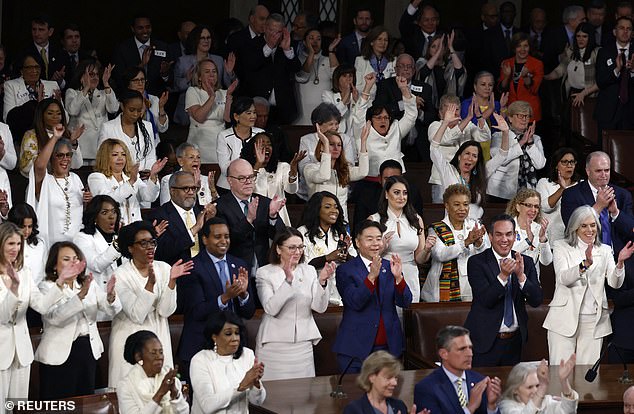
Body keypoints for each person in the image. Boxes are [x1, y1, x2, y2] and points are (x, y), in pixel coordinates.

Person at [544, 205, 634, 365]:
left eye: (593, 225)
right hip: (564, 318)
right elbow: (563, 278)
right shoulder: (561, 246)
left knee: (587, 378)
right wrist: (585, 264)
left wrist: (620, 263)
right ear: (575, 227)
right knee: (559, 374)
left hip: (594, 321)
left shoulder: (605, 250)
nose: (589, 230)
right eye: (584, 225)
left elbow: (615, 283)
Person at [107, 221, 193, 387]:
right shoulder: (121, 275)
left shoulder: (164, 268)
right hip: (129, 342)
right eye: (143, 243)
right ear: (130, 248)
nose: (150, 247)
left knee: (161, 397)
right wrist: (150, 285)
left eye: (152, 242)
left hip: (158, 337)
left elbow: (166, 311)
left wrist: (171, 282)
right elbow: (137, 314)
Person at [35, 241, 121, 399]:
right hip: (59, 355)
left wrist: (110, 296)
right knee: (60, 405)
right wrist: (80, 296)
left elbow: (111, 309)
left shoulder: (87, 283)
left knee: (86, 403)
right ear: (54, 265)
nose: (72, 262)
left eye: (75, 258)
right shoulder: (46, 287)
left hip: (87, 351)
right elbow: (55, 318)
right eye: (66, 259)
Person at [0, 222, 71, 411]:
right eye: (10, 244)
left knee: (18, 408)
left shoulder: (25, 273)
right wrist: (13, 290)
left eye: (18, 244)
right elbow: (3, 316)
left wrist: (60, 282)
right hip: (1, 351)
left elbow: (41, 305)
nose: (15, 249)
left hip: (22, 353)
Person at [177, 217, 255, 382]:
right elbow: (195, 312)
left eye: (226, 236)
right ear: (204, 239)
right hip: (201, 347)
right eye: (217, 236)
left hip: (234, 349)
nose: (223, 241)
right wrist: (225, 297)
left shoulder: (239, 264)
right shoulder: (192, 267)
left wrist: (242, 295)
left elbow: (248, 313)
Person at [334, 220, 413, 373]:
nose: (375, 243)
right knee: (354, 394)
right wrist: (371, 277)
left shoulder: (389, 266)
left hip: (389, 347)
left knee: (389, 394)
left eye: (378, 238)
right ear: (357, 242)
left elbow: (405, 302)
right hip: (356, 349)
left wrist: (398, 279)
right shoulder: (346, 270)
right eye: (369, 239)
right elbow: (355, 302)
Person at [465, 214, 543, 367]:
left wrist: (521, 276)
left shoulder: (525, 261)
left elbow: (536, 300)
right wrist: (503, 276)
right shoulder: (477, 262)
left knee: (511, 390)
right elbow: (486, 299)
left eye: (509, 234)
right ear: (490, 236)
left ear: (515, 236)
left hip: (515, 342)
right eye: (499, 234)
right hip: (485, 342)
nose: (504, 239)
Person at [255, 227, 332, 380]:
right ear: (278, 248)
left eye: (300, 247)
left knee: (303, 396)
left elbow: (319, 308)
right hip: (274, 346)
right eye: (292, 247)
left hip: (303, 346)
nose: (297, 252)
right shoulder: (265, 273)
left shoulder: (309, 270)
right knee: (272, 397)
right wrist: (287, 282)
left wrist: (322, 282)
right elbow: (271, 308)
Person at [215, 158, 286, 274]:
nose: (248, 181)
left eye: (251, 177)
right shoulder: (220, 206)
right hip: (235, 271)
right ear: (230, 181)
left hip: (264, 269)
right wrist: (248, 220)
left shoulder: (265, 203)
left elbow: (281, 237)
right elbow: (226, 241)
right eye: (242, 178)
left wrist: (273, 217)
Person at [370, 176, 434, 303]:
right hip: (384, 273)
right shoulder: (374, 220)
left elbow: (419, 259)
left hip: (410, 275)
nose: (401, 197)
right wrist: (382, 248)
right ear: (387, 194)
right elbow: (366, 258)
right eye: (396, 192)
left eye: (405, 193)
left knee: (409, 317)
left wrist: (427, 250)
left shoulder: (416, 219)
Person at [560, 151, 634, 258]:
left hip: (619, 257)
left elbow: (631, 230)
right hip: (586, 256)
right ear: (588, 171)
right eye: (599, 171)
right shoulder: (571, 194)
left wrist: (615, 213)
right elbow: (572, 228)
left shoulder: (622, 194)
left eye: (607, 170)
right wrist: (598, 207)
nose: (604, 175)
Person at [413, 325, 502, 413]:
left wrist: (491, 406)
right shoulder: (427, 389)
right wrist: (469, 409)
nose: (470, 354)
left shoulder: (480, 381)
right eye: (462, 349)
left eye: (470, 348)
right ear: (444, 354)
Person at [190, 310, 265, 413]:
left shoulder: (247, 355)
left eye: (237, 333)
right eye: (228, 334)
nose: (235, 338)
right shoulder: (200, 360)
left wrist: (256, 385)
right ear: (214, 337)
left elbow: (257, 402)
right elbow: (207, 405)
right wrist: (241, 386)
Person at [424, 184, 489, 302]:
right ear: (447, 206)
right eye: (457, 204)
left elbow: (487, 255)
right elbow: (440, 254)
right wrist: (466, 242)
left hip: (470, 285)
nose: (462, 209)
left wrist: (479, 243)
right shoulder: (436, 228)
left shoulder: (475, 226)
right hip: (441, 288)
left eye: (465, 204)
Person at [27, 126, 88, 245]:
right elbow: (39, 166)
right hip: (51, 247)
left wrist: (87, 202)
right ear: (51, 158)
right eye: (60, 155)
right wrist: (55, 137)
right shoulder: (45, 181)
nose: (65, 159)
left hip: (76, 245)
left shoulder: (75, 179)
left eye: (68, 155)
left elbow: (82, 210)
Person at [427, 95, 491, 206]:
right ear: (441, 112)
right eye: (450, 110)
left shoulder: (468, 126)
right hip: (441, 180)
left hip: (464, 179)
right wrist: (467, 119)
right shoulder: (435, 126)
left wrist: (479, 116)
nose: (454, 113)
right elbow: (446, 139)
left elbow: (484, 136)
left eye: (457, 109)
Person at [352, 73, 416, 177]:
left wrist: (404, 89)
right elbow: (358, 114)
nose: (383, 121)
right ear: (371, 120)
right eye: (378, 118)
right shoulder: (363, 131)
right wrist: (368, 87)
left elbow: (411, 116)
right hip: (370, 181)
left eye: (386, 118)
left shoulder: (395, 129)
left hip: (396, 181)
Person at [298, 191, 356, 305]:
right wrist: (328, 257)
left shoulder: (341, 233)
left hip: (340, 293)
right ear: (317, 209)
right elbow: (302, 267)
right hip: (312, 292)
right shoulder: (302, 232)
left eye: (336, 207)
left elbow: (356, 264)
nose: (334, 211)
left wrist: (346, 255)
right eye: (327, 207)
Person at [88, 138, 163, 226]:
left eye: (123, 154)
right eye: (115, 155)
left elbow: (149, 197)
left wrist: (153, 176)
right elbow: (107, 202)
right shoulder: (97, 177)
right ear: (105, 158)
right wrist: (130, 182)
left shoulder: (131, 177)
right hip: (112, 229)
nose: (120, 158)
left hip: (135, 230)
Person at [304, 125, 369, 222]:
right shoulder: (311, 168)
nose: (336, 148)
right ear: (322, 147)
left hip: (341, 222)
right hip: (318, 222)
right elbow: (324, 176)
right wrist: (325, 144)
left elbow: (362, 172)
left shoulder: (343, 170)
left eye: (339, 145)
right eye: (331, 144)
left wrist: (363, 142)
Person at [174, 24, 236, 125]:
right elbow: (175, 87)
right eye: (202, 38)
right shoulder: (183, 61)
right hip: (187, 116)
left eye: (208, 38)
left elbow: (229, 87)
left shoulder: (218, 60)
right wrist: (187, 79)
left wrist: (229, 73)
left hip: (214, 113)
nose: (206, 41)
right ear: (195, 40)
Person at [151, 171, 217, 266]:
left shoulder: (202, 212)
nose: (191, 192)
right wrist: (195, 229)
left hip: (204, 270)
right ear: (172, 191)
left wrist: (210, 223)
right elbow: (163, 252)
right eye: (186, 188)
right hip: (177, 272)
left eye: (193, 188)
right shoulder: (160, 216)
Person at [116, 330, 189, 414]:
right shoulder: (126, 386)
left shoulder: (169, 379)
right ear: (138, 357)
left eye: (161, 352)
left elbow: (185, 412)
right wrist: (160, 393)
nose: (159, 357)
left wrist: (174, 393)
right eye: (153, 353)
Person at [487, 100, 546, 202]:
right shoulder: (498, 136)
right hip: (500, 192)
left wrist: (530, 142)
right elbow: (501, 159)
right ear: (510, 118)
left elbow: (540, 164)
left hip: (527, 193)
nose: (524, 119)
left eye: (527, 116)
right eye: (520, 116)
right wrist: (521, 143)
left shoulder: (535, 139)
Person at [297, 103, 358, 200]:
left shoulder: (345, 139)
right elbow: (303, 167)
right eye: (331, 124)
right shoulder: (306, 140)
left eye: (337, 123)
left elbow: (349, 165)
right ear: (318, 125)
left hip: (339, 190)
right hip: (312, 192)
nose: (335, 127)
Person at [240, 132, 303, 226]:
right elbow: (244, 190)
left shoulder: (282, 167)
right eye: (261, 144)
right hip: (256, 216)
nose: (266, 147)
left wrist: (293, 170)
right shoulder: (245, 168)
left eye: (269, 144)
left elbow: (292, 190)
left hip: (279, 215)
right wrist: (258, 165)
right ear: (253, 149)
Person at [65, 59, 118, 164]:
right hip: (80, 149)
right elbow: (73, 110)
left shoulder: (104, 93)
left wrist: (106, 83)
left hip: (99, 149)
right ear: (81, 76)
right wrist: (86, 88)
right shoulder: (72, 93)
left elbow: (113, 109)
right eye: (91, 74)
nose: (95, 77)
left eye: (97, 74)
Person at [19, 97, 83, 177]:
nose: (55, 116)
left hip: (63, 183)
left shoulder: (66, 134)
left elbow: (77, 165)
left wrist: (72, 142)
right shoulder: (31, 135)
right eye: (50, 113)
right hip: (40, 185)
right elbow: (26, 168)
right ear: (41, 115)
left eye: (58, 113)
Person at [73, 195, 123, 297]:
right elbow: (97, 265)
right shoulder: (82, 238)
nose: (111, 216)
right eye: (105, 212)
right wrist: (118, 243)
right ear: (94, 217)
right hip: (98, 296)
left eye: (114, 211)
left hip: (122, 295)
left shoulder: (118, 236)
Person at [344, 350, 425, 414]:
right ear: (371, 377)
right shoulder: (354, 410)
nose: (395, 383)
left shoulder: (399, 406)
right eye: (388, 377)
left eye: (395, 378)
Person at [185, 58, 234, 163]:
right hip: (199, 144)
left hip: (219, 142)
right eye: (207, 72)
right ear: (199, 77)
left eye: (214, 71)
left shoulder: (224, 93)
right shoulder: (193, 91)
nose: (212, 74)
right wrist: (212, 97)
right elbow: (199, 117)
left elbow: (227, 119)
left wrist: (229, 98)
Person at [111, 14, 172, 97]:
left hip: (157, 98)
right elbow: (120, 78)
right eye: (140, 28)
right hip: (132, 98)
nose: (145, 31)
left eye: (148, 27)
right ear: (133, 29)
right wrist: (142, 65)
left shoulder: (163, 47)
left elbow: (171, 81)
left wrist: (165, 74)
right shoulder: (122, 49)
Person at [594, 16, 634, 140]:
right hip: (608, 111)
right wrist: (616, 70)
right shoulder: (604, 52)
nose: (625, 31)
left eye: (629, 29)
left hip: (631, 112)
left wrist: (633, 70)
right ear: (614, 31)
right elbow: (600, 81)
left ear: (632, 33)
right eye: (621, 28)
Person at [98, 89, 157, 173]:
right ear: (122, 106)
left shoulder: (148, 126)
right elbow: (102, 158)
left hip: (144, 179)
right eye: (132, 110)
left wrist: (147, 173)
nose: (136, 114)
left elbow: (151, 156)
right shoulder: (108, 128)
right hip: (118, 179)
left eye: (139, 110)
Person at [543, 22, 599, 108]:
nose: (581, 39)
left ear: (590, 38)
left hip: (589, 96)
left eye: (584, 36)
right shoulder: (571, 51)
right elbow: (560, 70)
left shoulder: (597, 53)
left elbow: (601, 80)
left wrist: (584, 93)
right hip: (570, 94)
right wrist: (545, 77)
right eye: (578, 36)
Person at [499, 355, 578, 413]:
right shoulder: (506, 407)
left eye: (537, 385)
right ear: (515, 390)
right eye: (530, 387)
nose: (536, 391)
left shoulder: (546, 401)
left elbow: (567, 412)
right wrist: (542, 387)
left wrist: (564, 381)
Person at [216, 96, 264, 191]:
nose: (253, 116)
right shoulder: (224, 136)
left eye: (254, 113)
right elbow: (224, 168)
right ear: (236, 116)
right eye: (248, 113)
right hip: (228, 187)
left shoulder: (260, 134)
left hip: (255, 184)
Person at [294, 28, 340, 125]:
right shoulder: (297, 60)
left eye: (318, 39)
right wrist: (311, 53)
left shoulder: (328, 59)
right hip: (302, 115)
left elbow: (337, 77)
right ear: (304, 42)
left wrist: (331, 51)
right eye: (311, 38)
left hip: (324, 115)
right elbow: (302, 77)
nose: (315, 42)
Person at [506, 189, 553, 281]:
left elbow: (546, 261)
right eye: (529, 205)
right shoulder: (506, 227)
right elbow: (506, 255)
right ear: (518, 207)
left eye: (536, 206)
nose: (533, 210)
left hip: (531, 284)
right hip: (510, 282)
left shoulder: (539, 229)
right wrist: (528, 241)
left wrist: (543, 240)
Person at [416, 31, 467, 112]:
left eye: (440, 46)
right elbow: (423, 73)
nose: (437, 49)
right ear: (428, 49)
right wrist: (438, 52)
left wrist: (451, 47)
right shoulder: (422, 62)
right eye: (433, 47)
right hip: (428, 109)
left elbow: (460, 71)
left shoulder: (450, 65)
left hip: (449, 109)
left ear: (445, 49)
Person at [536, 148, 579, 242]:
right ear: (556, 165)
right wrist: (562, 189)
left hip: (574, 239)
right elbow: (544, 207)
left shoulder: (580, 185)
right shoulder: (544, 183)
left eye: (572, 162)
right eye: (565, 162)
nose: (569, 165)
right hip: (551, 238)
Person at [499, 33, 544, 122]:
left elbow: (534, 89)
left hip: (530, 112)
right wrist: (507, 76)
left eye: (525, 46)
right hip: (512, 111)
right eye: (519, 46)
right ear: (514, 48)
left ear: (529, 47)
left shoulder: (537, 64)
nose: (522, 49)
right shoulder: (507, 63)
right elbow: (502, 89)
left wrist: (526, 77)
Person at [3, 54, 59, 123]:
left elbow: (66, 119)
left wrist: (59, 104)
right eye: (29, 67)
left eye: (37, 67)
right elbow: (8, 118)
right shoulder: (11, 86)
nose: (34, 71)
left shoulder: (52, 85)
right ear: (21, 70)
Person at [122, 67, 168, 143]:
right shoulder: (123, 103)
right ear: (128, 84)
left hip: (153, 143)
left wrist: (161, 108)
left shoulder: (153, 99)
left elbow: (162, 129)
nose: (140, 83)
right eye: (136, 80)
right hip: (132, 143)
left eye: (142, 80)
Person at [7, 203, 46, 285]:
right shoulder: (5, 245)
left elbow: (43, 275)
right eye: (22, 226)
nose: (27, 231)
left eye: (30, 226)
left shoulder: (40, 244)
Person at [354, 26, 395, 100]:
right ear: (372, 42)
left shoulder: (393, 61)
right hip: (367, 102)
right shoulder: (360, 60)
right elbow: (358, 87)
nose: (383, 43)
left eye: (386, 40)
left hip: (388, 104)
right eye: (379, 39)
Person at [321, 64, 358, 134]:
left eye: (350, 76)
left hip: (354, 138)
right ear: (337, 78)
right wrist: (346, 94)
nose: (348, 79)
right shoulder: (327, 95)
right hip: (336, 136)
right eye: (344, 76)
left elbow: (361, 118)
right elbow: (332, 117)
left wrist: (357, 101)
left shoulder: (357, 95)